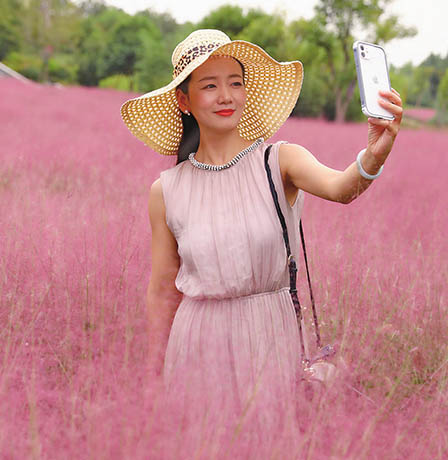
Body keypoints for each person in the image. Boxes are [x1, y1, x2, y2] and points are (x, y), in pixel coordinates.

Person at [121, 29, 403, 452]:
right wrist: (152, 379)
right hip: (196, 345)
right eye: (209, 86)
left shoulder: (280, 160)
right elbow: (162, 291)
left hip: (268, 338)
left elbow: (342, 188)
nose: (226, 96)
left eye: (235, 83)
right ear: (184, 100)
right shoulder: (166, 190)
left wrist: (375, 154)